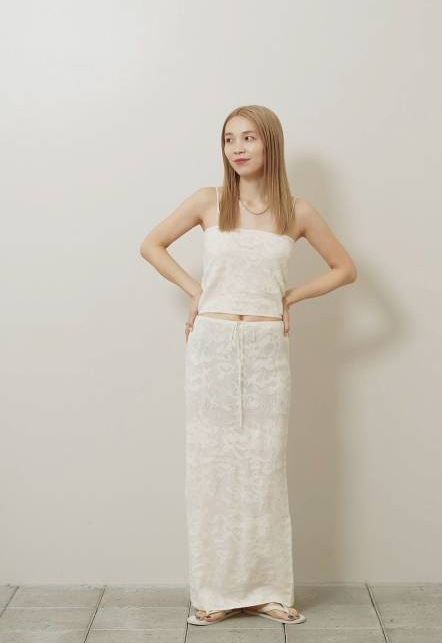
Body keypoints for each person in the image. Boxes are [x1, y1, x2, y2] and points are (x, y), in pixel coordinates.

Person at [140, 105, 357, 626]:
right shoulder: (208, 201)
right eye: (229, 139)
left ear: (270, 144)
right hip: (211, 346)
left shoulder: (297, 212)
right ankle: (212, 594)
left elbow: (345, 269)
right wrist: (196, 290)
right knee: (211, 469)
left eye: (249, 138)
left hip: (265, 350)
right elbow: (151, 245)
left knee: (263, 468)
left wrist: (291, 296)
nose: (237, 148)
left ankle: (268, 591)